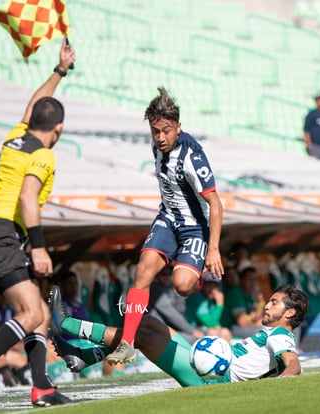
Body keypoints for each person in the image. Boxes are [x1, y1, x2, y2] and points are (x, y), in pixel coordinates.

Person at [0, 37, 76, 410]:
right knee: (32, 313)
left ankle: (41, 386)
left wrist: (59, 71)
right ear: (57, 130)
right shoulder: (43, 155)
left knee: (37, 314)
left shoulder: (16, 138)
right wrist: (38, 246)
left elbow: (31, 107)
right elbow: (27, 197)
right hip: (4, 236)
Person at [105, 86, 224, 365]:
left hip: (194, 228)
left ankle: (190, 271)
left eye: (166, 131)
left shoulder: (193, 157)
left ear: (179, 127)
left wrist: (214, 249)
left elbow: (215, 204)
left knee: (181, 285)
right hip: (168, 219)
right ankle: (127, 343)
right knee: (143, 271)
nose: (160, 137)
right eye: (155, 131)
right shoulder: (157, 145)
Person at [49, 284, 309, 386]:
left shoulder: (280, 335)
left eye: (274, 302)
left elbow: (293, 365)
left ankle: (66, 324)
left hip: (215, 380)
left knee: (143, 337)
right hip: (210, 365)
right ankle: (85, 355)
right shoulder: (273, 332)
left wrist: (274, 387)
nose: (266, 304)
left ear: (290, 313)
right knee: (148, 323)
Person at [147, 266, 204, 344]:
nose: (167, 277)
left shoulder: (168, 289)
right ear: (157, 275)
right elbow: (172, 314)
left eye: (170, 274)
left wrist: (179, 293)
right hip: (154, 332)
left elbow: (180, 310)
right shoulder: (155, 289)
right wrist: (192, 331)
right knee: (193, 339)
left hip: (164, 329)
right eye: (164, 274)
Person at [185, 272, 232, 343]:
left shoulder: (210, 299)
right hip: (192, 329)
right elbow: (210, 322)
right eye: (209, 285)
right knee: (214, 333)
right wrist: (220, 304)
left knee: (225, 332)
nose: (212, 289)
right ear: (203, 285)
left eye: (215, 286)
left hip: (204, 328)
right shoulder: (197, 298)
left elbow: (216, 322)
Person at [220, 266, 265, 338]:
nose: (253, 283)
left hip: (240, 328)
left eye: (255, 279)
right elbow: (242, 323)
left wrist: (260, 303)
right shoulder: (235, 292)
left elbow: (256, 317)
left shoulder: (250, 295)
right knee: (263, 332)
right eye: (249, 279)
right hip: (228, 329)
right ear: (241, 280)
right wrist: (255, 322)